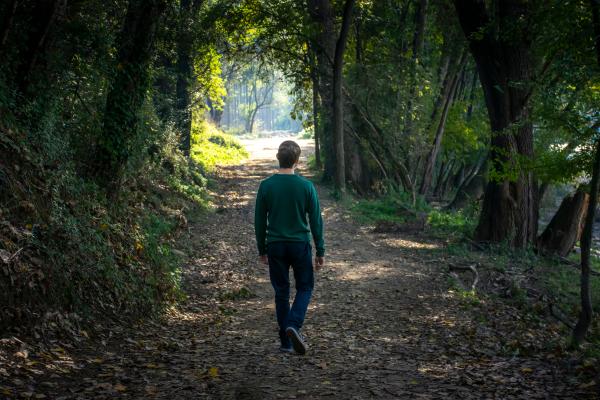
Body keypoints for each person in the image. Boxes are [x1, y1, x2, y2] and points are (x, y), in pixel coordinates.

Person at [254, 140, 325, 355]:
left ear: (278, 158)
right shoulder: (306, 186)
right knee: (305, 287)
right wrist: (320, 250)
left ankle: (285, 343)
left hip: (275, 246)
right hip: (300, 245)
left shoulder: (266, 186)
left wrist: (262, 249)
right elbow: (316, 221)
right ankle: (293, 324)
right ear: (297, 160)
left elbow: (259, 221)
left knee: (281, 292)